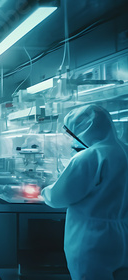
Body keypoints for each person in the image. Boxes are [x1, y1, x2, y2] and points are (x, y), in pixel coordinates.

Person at [41, 104, 128, 280]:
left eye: (73, 134)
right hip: (123, 234)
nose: (73, 139)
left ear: (85, 129)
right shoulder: (124, 150)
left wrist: (44, 190)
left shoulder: (90, 156)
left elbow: (59, 197)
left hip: (92, 239)